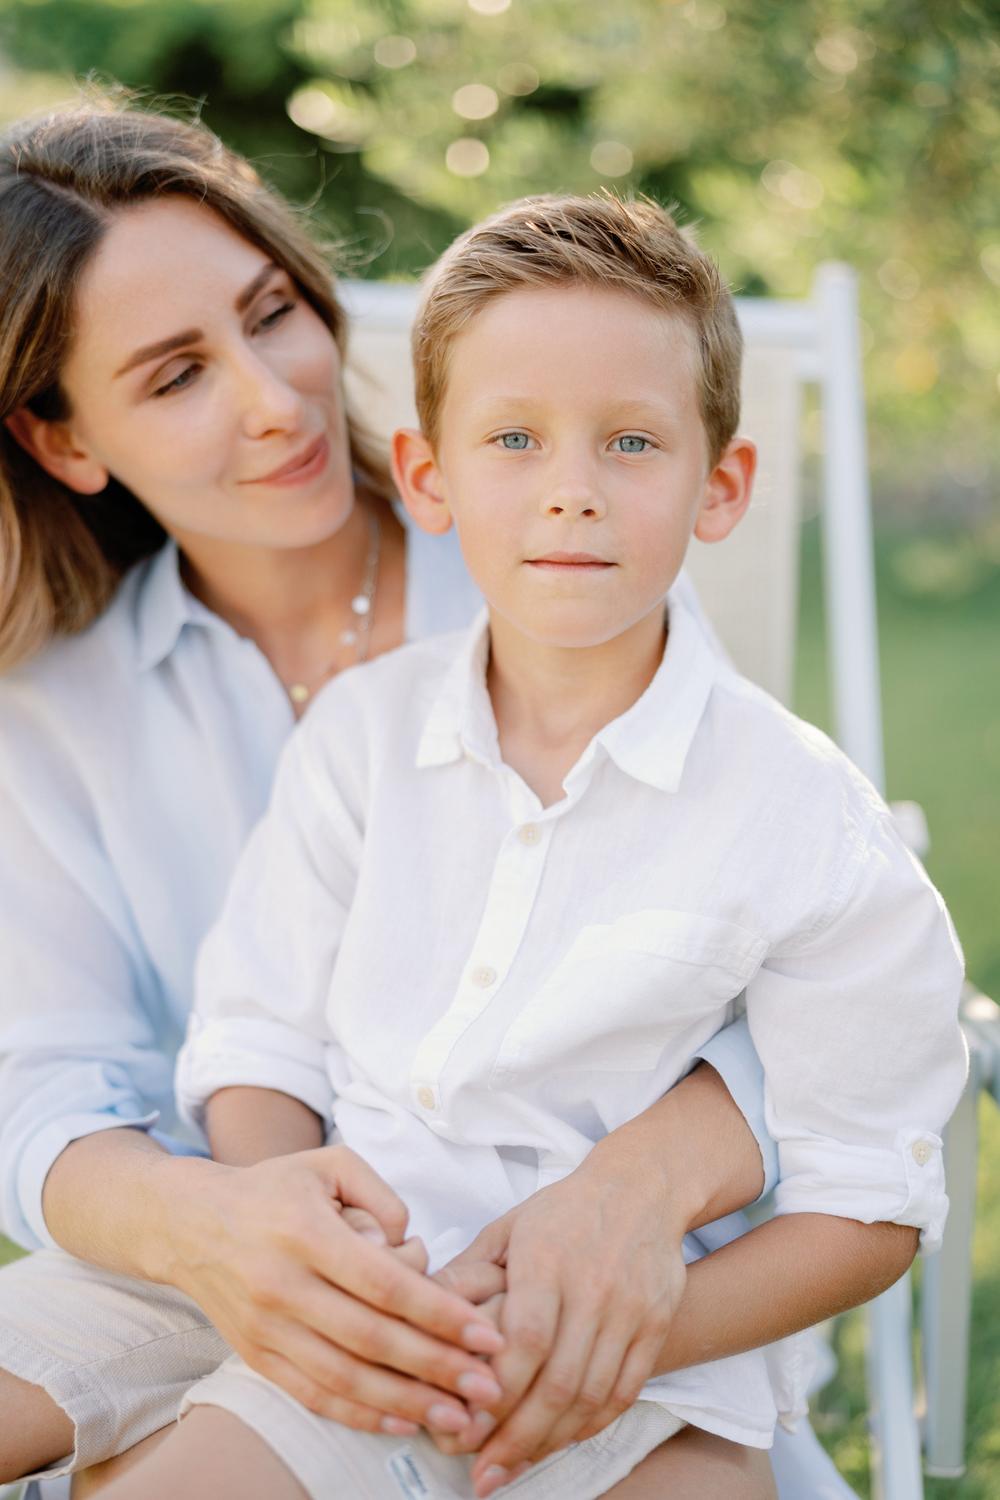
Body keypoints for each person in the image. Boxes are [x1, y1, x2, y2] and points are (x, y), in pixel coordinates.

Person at [0, 96, 933, 1498]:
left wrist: (633, 1195)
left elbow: (772, 1006)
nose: (274, 398)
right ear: (67, 440)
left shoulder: (572, 599)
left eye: (271, 313)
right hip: (246, 1248)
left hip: (587, 1314)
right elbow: (56, 1083)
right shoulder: (60, 703)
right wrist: (237, 1225)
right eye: (176, 374)